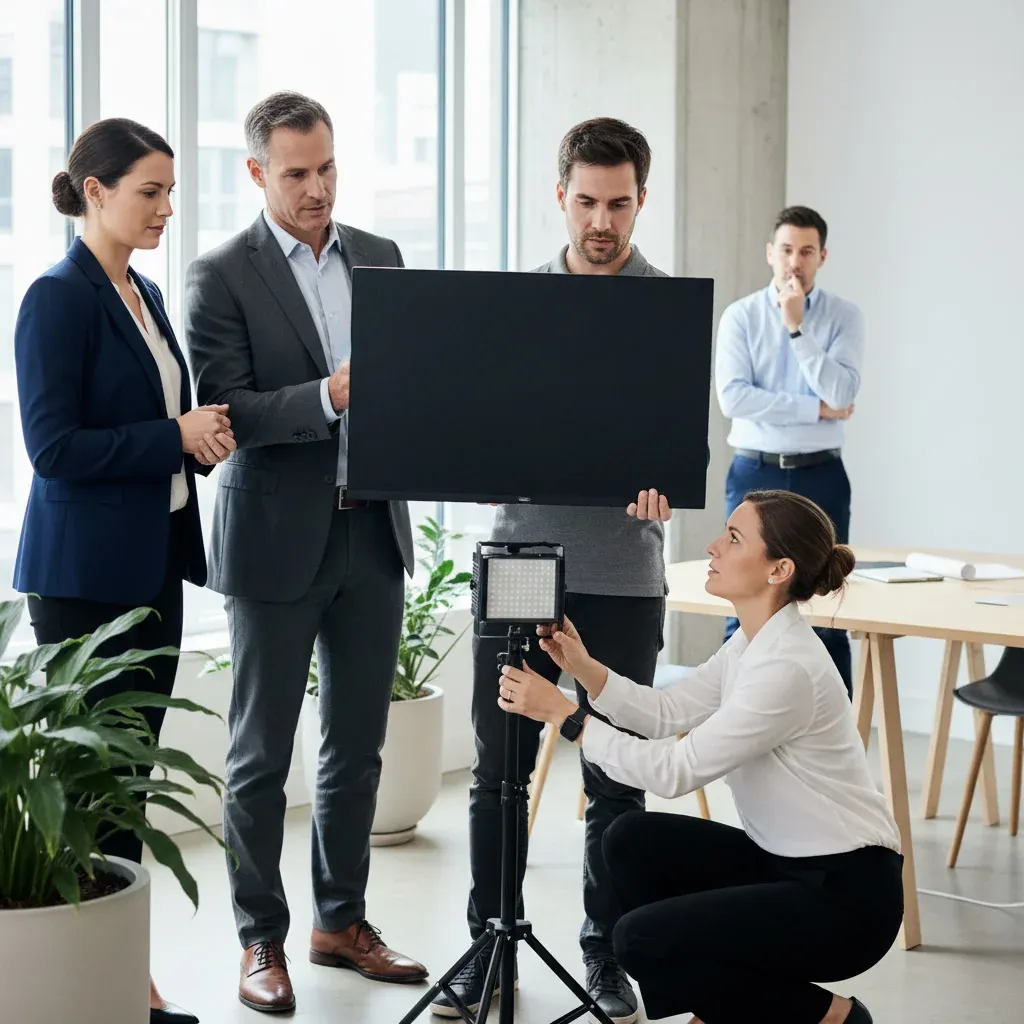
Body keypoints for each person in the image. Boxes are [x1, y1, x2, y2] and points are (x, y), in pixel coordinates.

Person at [183, 91, 426, 1015]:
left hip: (373, 531)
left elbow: (415, 389)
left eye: (327, 168)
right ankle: (260, 940)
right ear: (257, 173)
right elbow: (228, 411)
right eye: (297, 174)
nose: (319, 187)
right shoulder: (220, 275)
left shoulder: (382, 258)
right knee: (258, 757)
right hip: (276, 541)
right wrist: (328, 393)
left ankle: (340, 922)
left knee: (357, 747)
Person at [496, 488, 903, 1024]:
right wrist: (583, 666)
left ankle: (835, 1017)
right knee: (630, 840)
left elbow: (674, 772)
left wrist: (565, 717)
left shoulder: (787, 669)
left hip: (846, 897)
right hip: (783, 863)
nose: (713, 546)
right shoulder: (753, 644)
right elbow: (666, 713)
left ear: (779, 569)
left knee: (636, 940)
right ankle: (720, 1006)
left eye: (733, 538)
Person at [431, 118, 670, 1024]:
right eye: (585, 201)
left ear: (642, 198)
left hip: (622, 573)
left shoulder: (667, 310)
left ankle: (606, 956)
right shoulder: (513, 304)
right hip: (522, 561)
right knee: (499, 770)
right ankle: (490, 946)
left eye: (618, 202)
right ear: (558, 196)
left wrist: (666, 490)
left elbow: (681, 448)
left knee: (617, 777)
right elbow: (470, 428)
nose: (601, 220)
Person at [14, 118, 237, 1024]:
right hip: (83, 584)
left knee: (131, 787)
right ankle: (99, 987)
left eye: (171, 191)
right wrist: (168, 439)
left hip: (153, 568)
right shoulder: (55, 298)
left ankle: (118, 981)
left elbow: (153, 427)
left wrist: (198, 442)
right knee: (89, 788)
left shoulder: (141, 294)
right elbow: (52, 447)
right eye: (149, 191)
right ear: (94, 190)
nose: (166, 208)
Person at [715, 205, 864, 696]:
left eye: (805, 252)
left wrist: (796, 329)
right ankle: (738, 728)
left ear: (822, 256)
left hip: (820, 476)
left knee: (824, 608)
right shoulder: (740, 316)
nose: (794, 263)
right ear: (769, 254)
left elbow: (841, 395)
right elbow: (734, 398)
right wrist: (814, 410)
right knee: (747, 604)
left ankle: (828, 740)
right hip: (754, 475)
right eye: (785, 250)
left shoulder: (844, 317)